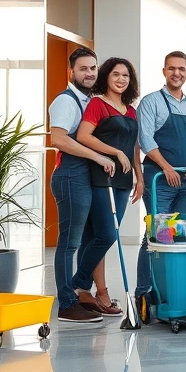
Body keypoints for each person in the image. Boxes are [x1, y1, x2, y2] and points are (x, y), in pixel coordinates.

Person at [135, 51, 186, 320]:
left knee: (182, 236)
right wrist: (166, 168)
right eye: (171, 69)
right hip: (160, 181)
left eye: (181, 69)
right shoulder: (152, 101)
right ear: (164, 71)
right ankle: (145, 292)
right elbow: (145, 138)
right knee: (156, 236)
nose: (177, 73)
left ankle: (173, 291)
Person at [50, 47, 115, 323]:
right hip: (69, 176)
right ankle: (66, 304)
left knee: (91, 238)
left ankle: (79, 292)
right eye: (83, 69)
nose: (89, 74)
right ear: (71, 72)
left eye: (93, 68)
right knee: (69, 243)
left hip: (84, 178)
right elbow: (59, 139)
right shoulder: (66, 102)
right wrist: (98, 156)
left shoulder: (89, 101)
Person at [75, 58, 143, 317]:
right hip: (103, 176)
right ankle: (78, 283)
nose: (121, 79)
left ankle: (98, 293)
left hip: (124, 181)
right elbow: (84, 136)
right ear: (106, 76)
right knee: (107, 235)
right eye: (116, 74)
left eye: (126, 75)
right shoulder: (97, 104)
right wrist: (115, 153)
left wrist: (140, 176)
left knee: (97, 238)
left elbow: (134, 148)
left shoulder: (130, 110)